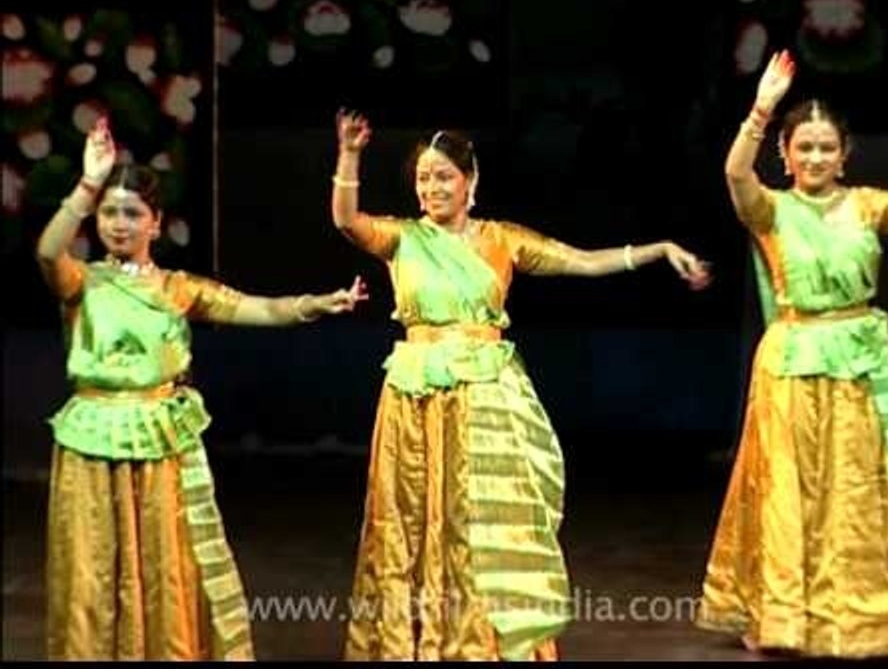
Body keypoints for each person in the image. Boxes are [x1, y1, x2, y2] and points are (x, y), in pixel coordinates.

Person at [330, 109, 712, 660]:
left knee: (484, 521)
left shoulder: (502, 240)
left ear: (471, 180)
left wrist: (656, 250)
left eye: (444, 177)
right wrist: (349, 155)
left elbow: (581, 263)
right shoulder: (402, 238)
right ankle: (416, 641)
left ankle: (483, 641)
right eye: (423, 178)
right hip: (416, 397)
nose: (432, 188)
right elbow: (347, 220)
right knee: (410, 519)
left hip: (485, 398)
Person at [36, 117, 368, 660]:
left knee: (163, 564)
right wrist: (88, 183)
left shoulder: (177, 289)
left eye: (132, 213)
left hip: (158, 439)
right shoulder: (82, 282)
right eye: (109, 212)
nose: (118, 223)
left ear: (156, 224)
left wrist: (316, 304)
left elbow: (258, 309)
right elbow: (49, 252)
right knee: (93, 566)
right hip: (91, 441)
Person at [695, 49, 888, 657]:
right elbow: (736, 175)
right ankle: (784, 617)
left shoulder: (868, 205)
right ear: (785, 155)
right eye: (804, 147)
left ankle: (865, 616)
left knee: (859, 488)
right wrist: (760, 111)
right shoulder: (772, 209)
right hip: (793, 363)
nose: (815, 157)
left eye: (826, 148)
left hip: (858, 363)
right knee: (788, 490)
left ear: (844, 154)